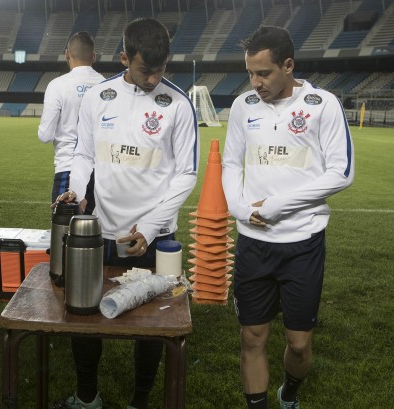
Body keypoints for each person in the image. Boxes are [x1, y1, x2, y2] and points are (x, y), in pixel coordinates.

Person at [53, 17, 199, 409]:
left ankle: (139, 401)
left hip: (154, 237)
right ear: (123, 59)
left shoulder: (179, 106)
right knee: (83, 317)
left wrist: (150, 228)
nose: (153, 79)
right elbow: (83, 154)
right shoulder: (97, 97)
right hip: (100, 232)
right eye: (144, 70)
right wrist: (76, 194)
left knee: (151, 326)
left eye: (161, 69)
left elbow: (186, 174)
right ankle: (87, 397)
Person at [221, 26, 355, 409]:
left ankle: (290, 393)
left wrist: (279, 206)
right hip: (254, 244)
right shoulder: (243, 107)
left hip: (302, 244)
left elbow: (341, 172)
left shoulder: (322, 103)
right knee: (252, 337)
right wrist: (240, 208)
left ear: (288, 65)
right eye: (250, 73)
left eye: (263, 73)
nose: (255, 82)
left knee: (298, 343)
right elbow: (230, 163)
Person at [38, 31, 104, 214]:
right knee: (95, 234)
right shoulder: (106, 86)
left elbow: (45, 135)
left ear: (67, 54)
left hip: (67, 168)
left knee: (64, 235)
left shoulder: (57, 85)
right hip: (101, 174)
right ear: (93, 56)